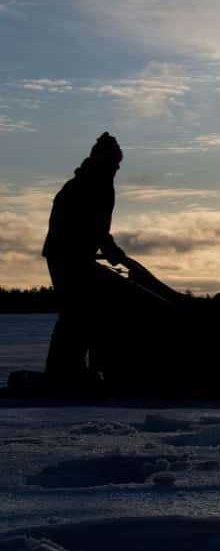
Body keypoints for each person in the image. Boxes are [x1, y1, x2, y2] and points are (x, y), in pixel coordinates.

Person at [42, 132, 129, 387]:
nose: (117, 168)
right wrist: (111, 251)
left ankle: (74, 370)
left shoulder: (90, 182)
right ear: (103, 160)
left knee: (83, 311)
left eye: (118, 163)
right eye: (114, 163)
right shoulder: (91, 184)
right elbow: (92, 226)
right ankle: (65, 372)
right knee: (78, 311)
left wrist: (108, 250)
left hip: (74, 254)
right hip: (67, 255)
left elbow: (96, 228)